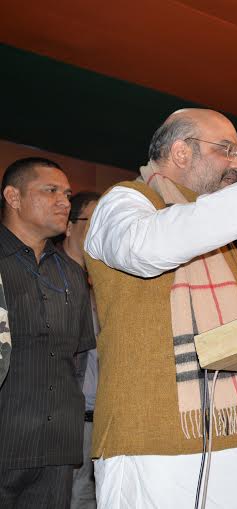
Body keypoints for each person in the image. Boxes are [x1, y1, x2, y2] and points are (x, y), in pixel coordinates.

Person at [84, 109, 237, 507]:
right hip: (155, 447)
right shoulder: (125, 202)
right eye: (227, 151)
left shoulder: (229, 234)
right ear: (181, 151)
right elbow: (145, 248)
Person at [0, 157, 96, 508]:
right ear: (13, 197)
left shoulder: (72, 274)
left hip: (57, 446)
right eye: (50, 190)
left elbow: (80, 356)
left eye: (68, 194)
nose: (64, 202)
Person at [60, 192, 101, 509]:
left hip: (96, 421)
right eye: (92, 220)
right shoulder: (48, 280)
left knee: (87, 497)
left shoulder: (99, 288)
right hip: (58, 419)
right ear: (69, 227)